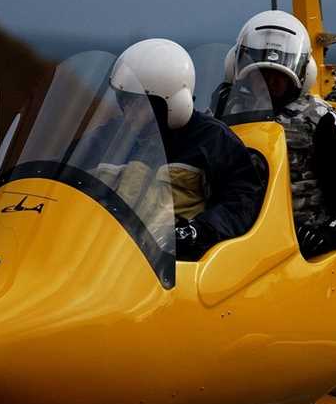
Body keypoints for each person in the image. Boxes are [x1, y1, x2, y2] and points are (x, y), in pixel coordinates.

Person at [229, 10, 336, 260]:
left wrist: (326, 237)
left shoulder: (322, 120)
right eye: (261, 75)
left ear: (301, 75)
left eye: (278, 77)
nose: (269, 84)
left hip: (297, 252)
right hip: (234, 244)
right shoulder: (225, 114)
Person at [109, 39, 264, 260]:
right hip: (109, 254)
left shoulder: (212, 139)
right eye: (124, 100)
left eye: (139, 103)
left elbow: (243, 203)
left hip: (175, 266)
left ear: (170, 103)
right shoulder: (110, 135)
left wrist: (196, 232)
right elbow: (62, 175)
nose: (129, 111)